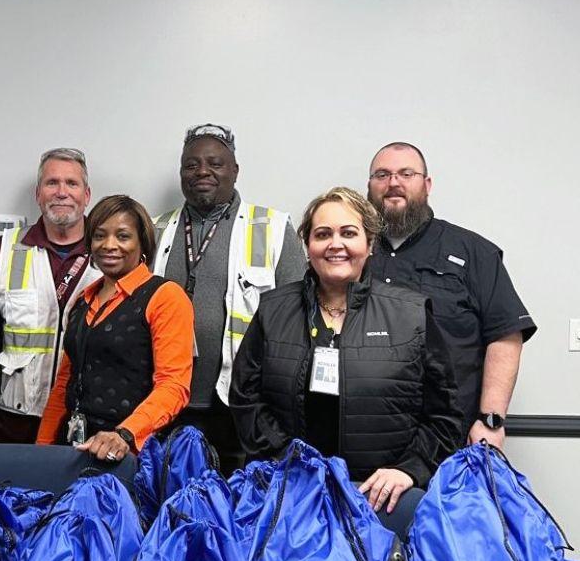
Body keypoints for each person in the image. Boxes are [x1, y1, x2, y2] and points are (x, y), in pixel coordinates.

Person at [230, 187, 462, 519]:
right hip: (291, 490)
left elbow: (445, 414)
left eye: (348, 233)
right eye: (322, 234)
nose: (335, 244)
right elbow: (245, 398)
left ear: (369, 244)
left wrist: (410, 470)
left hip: (377, 496)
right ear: (308, 245)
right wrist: (288, 461)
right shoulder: (273, 309)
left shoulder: (410, 313)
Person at [152, 123, 306, 473]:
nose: (202, 171)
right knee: (170, 501)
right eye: (191, 165)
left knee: (236, 508)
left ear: (235, 170)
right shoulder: (155, 228)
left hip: (241, 406)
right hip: (167, 402)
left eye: (215, 163)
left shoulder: (272, 227)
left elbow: (295, 321)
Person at [366, 142, 536, 449]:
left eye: (406, 173)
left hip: (451, 439)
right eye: (382, 174)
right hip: (368, 437)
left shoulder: (473, 252)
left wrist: (491, 420)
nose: (393, 183)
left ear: (427, 184)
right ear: (370, 186)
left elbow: (506, 335)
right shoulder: (349, 255)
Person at [37, 195, 194, 459]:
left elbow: (174, 386)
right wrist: (40, 450)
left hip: (130, 453)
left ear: (142, 243)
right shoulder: (83, 299)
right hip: (73, 448)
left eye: (123, 236)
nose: (109, 245)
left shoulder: (165, 296)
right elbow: (65, 381)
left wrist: (124, 434)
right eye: (99, 236)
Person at [0, 147, 101, 443]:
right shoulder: (5, 249)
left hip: (86, 419)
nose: (62, 192)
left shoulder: (110, 253)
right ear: (38, 194)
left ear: (87, 195)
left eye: (71, 184)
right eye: (52, 183)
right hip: (14, 419)